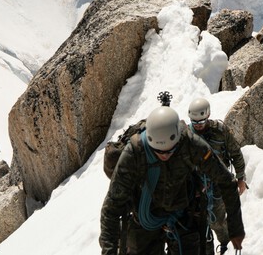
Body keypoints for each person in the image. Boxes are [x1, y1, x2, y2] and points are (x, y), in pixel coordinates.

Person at [99, 104, 245, 255]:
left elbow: (226, 181)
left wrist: (235, 228)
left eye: (170, 151)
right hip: (145, 218)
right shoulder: (134, 153)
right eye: (159, 152)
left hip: (183, 213)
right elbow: (112, 207)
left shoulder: (191, 143)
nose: (164, 156)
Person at [187, 98, 248, 255]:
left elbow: (236, 154)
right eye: (195, 122)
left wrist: (241, 178)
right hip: (196, 187)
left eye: (201, 121)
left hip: (219, 185)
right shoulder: (186, 136)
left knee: (217, 221)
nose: (198, 125)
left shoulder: (220, 131)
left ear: (208, 116)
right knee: (198, 222)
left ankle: (225, 244)